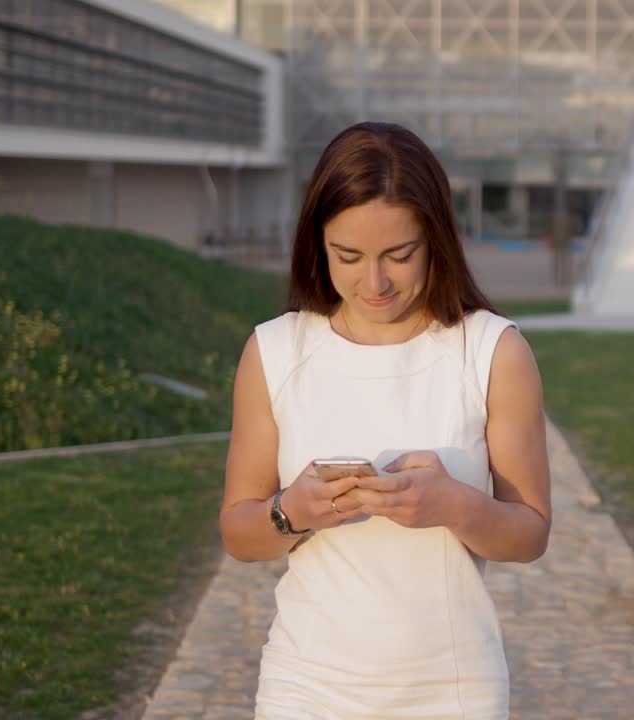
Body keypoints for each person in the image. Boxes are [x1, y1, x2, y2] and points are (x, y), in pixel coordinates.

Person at [218, 121, 552, 719]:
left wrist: (451, 505)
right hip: (305, 687)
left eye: (399, 255)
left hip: (455, 690)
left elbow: (530, 535)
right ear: (317, 243)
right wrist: (291, 511)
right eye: (349, 256)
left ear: (436, 239)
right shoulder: (274, 351)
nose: (374, 283)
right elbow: (239, 532)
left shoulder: (492, 351)